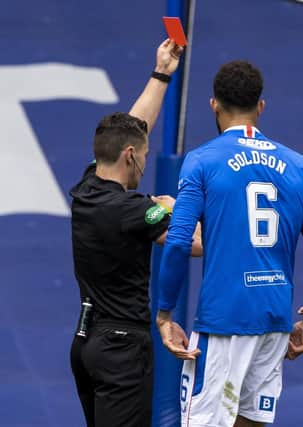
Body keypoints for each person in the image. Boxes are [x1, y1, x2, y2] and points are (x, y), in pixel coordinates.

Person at [154, 60, 303, 427]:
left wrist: (164, 314)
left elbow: (177, 242)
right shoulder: (299, 165)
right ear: (261, 107)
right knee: (251, 421)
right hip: (273, 316)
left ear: (213, 105)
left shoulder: (202, 161)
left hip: (224, 318)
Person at [69, 39, 202, 427]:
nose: (145, 162)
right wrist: (181, 207)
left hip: (86, 342)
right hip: (122, 350)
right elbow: (194, 244)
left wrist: (162, 72)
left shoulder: (86, 188)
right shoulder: (134, 210)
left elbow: (134, 127)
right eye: (142, 154)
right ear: (130, 155)